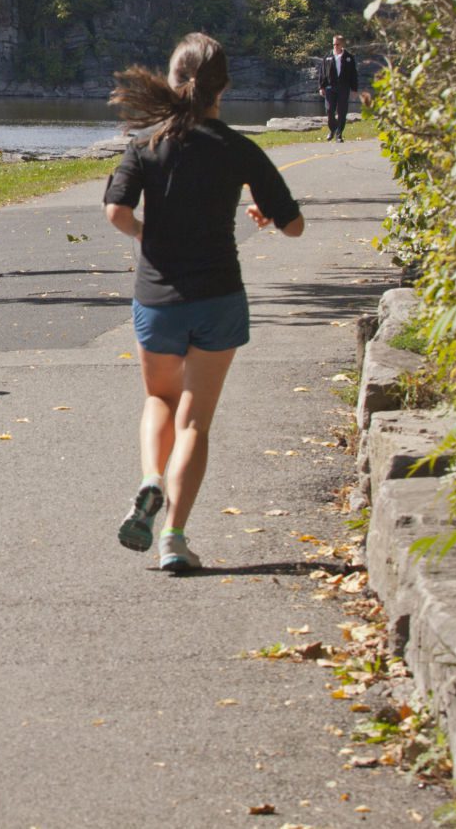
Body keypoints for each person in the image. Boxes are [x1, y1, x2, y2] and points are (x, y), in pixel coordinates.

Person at [103, 32, 305, 572]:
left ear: (172, 81)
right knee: (195, 422)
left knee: (160, 399)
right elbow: (295, 226)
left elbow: (117, 213)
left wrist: (148, 235)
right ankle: (173, 538)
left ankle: (150, 479)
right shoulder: (239, 148)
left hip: (158, 298)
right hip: (218, 299)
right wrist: (268, 216)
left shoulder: (145, 145)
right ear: (225, 88)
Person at [317, 34, 360, 142]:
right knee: (329, 110)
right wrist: (321, 87)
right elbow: (322, 73)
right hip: (330, 87)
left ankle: (339, 134)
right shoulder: (327, 57)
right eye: (334, 44)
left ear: (342, 44)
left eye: (337, 44)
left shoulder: (349, 57)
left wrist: (354, 89)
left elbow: (353, 74)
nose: (335, 46)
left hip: (343, 87)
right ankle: (333, 129)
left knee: (342, 111)